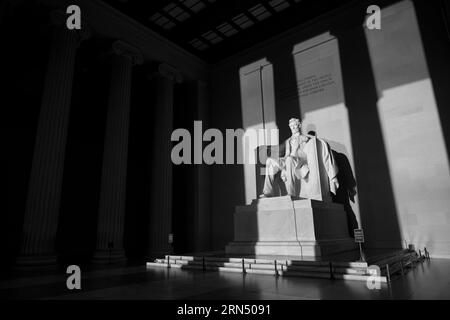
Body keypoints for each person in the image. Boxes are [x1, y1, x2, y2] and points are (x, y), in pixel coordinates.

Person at [261, 118, 310, 197]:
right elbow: (286, 154)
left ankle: (291, 192)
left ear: (299, 125)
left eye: (295, 125)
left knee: (289, 159)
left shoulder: (305, 138)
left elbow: (306, 154)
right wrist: (282, 164)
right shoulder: (288, 141)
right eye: (291, 126)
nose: (293, 128)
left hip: (299, 160)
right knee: (270, 160)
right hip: (287, 159)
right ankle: (268, 191)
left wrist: (289, 159)